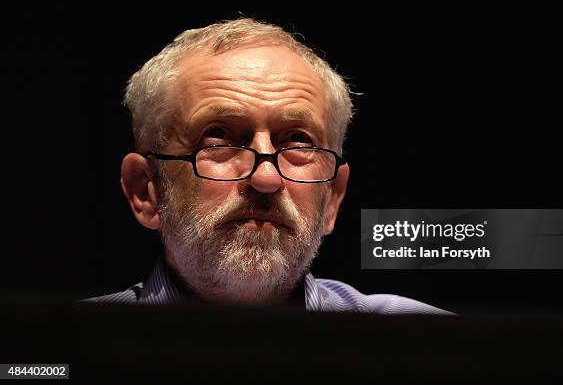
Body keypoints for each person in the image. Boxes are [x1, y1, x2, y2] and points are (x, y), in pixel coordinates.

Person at [87, 18, 450, 314]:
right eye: (219, 137)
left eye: (298, 141)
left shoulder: (434, 347)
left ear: (333, 199)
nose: (266, 177)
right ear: (146, 190)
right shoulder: (63, 347)